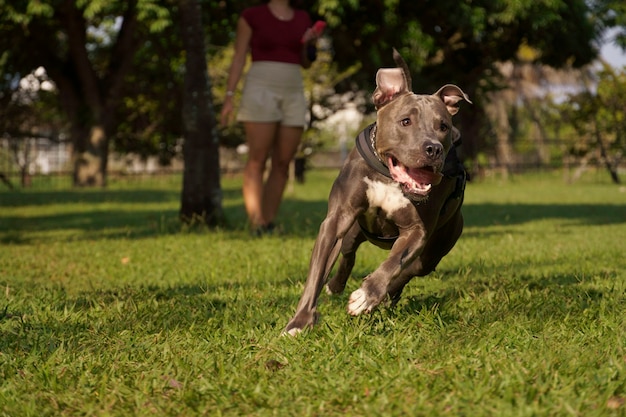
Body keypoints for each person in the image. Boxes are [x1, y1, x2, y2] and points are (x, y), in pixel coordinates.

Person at [220, 0, 320, 235]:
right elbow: (238, 57)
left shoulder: (303, 17)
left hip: (293, 88)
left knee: (284, 162)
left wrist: (310, 44)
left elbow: (306, 62)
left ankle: (268, 222)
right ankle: (256, 222)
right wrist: (229, 96)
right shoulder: (251, 15)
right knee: (257, 158)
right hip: (260, 87)